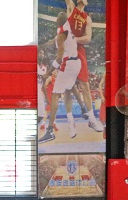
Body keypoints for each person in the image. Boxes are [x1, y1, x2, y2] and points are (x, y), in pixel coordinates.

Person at [38, 11, 82, 144]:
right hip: (76, 63)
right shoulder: (65, 29)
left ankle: (50, 131)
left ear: (59, 21)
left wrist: (48, 73)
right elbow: (53, 41)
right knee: (69, 89)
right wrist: (42, 46)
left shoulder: (62, 34)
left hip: (67, 63)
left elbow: (59, 57)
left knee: (55, 95)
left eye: (57, 18)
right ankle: (75, 118)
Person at [65, 0, 104, 133]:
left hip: (79, 50)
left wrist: (73, 39)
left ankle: (92, 119)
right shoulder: (71, 7)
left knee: (85, 86)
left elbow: (87, 38)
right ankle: (70, 120)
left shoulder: (87, 18)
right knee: (67, 87)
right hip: (67, 51)